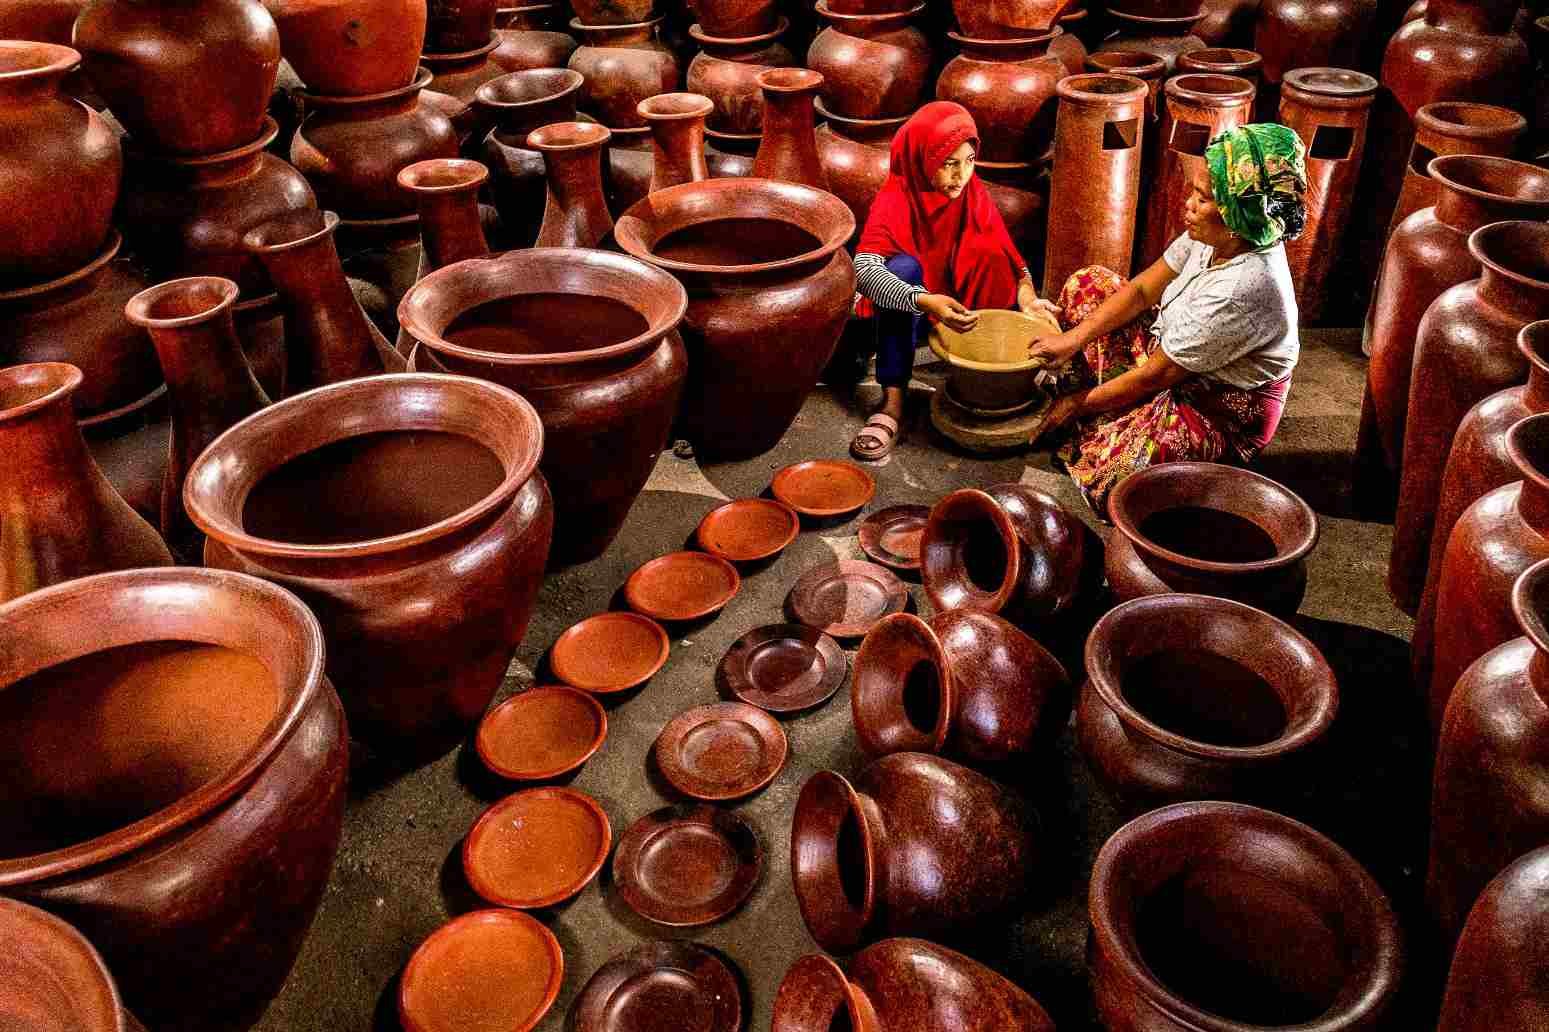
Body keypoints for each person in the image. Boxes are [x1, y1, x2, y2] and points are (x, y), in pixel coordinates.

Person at [1027, 123, 1308, 517]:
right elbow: (1143, 290)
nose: (1189, 204)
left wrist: (1076, 405)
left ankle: (1097, 415)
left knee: (1122, 480)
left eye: (1204, 197)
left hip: (1213, 409)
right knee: (1089, 285)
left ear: (1237, 214)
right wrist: (1072, 340)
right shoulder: (1212, 236)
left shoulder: (1243, 287)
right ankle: (1104, 411)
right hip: (1171, 357)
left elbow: (1154, 377)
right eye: (1195, 190)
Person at [848, 101, 1056, 460]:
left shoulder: (970, 191)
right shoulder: (896, 197)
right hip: (901, 321)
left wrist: (1028, 299)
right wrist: (923, 300)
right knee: (902, 270)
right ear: (922, 159)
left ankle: (985, 369)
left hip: (950, 317)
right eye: (949, 163)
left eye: (969, 161)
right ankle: (892, 402)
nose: (961, 175)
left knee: (988, 248)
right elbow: (863, 272)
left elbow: (1009, 257)